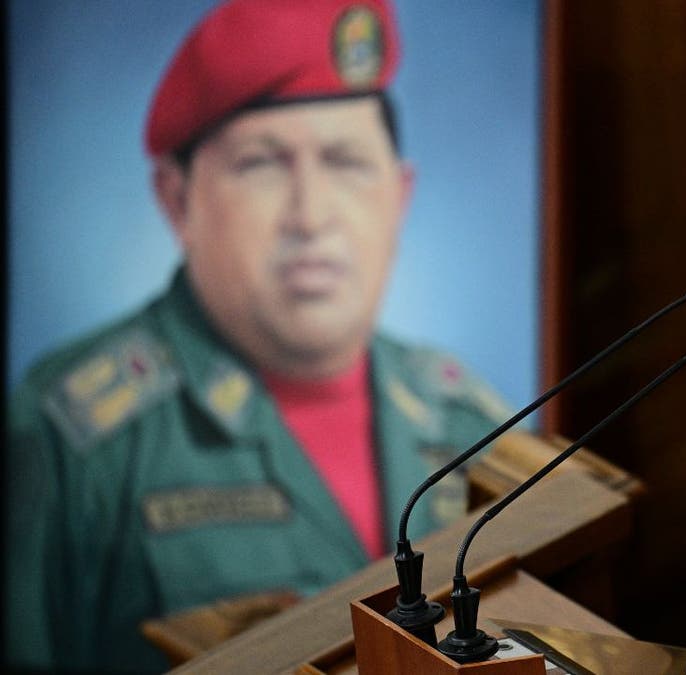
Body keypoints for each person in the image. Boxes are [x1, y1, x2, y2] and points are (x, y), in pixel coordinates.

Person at [4, 1, 511, 672]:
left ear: (399, 194)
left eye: (345, 161)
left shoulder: (473, 421)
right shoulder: (68, 440)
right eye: (262, 164)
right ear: (175, 199)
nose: (311, 215)